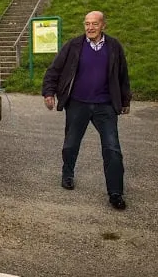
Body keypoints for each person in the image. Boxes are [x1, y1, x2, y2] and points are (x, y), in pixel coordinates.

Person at [41, 11, 132, 210]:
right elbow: (54, 70)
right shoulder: (74, 45)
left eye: (94, 24)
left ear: (103, 26)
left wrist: (125, 100)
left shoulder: (114, 46)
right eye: (87, 24)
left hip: (105, 105)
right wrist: (49, 92)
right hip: (77, 104)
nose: (90, 28)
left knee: (112, 148)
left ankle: (115, 192)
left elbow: (123, 75)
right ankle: (68, 173)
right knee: (71, 144)